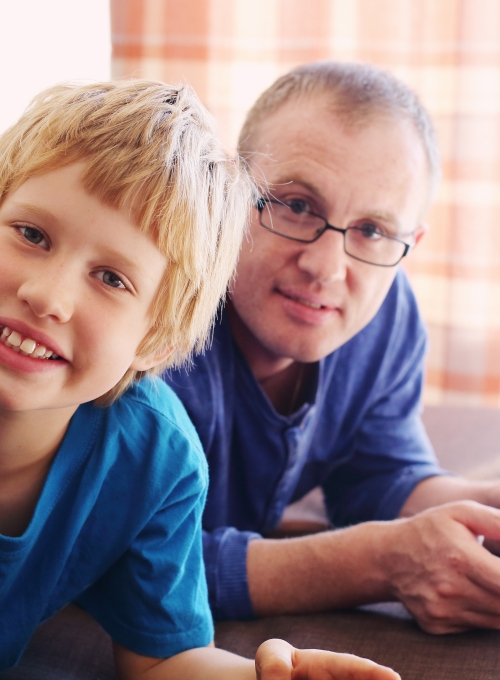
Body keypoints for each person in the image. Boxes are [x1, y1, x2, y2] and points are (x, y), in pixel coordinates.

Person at [0, 79, 400, 680]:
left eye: (112, 278)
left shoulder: (154, 456)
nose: (47, 297)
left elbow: (161, 659)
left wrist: (259, 675)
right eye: (31, 235)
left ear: (157, 340)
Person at [164, 61, 500, 635]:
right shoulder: (158, 315)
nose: (326, 267)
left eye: (372, 230)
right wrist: (379, 563)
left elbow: (378, 472)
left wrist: (479, 509)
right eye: (296, 205)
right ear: (231, 189)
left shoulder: (387, 313)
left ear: (408, 243)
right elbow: (125, 558)